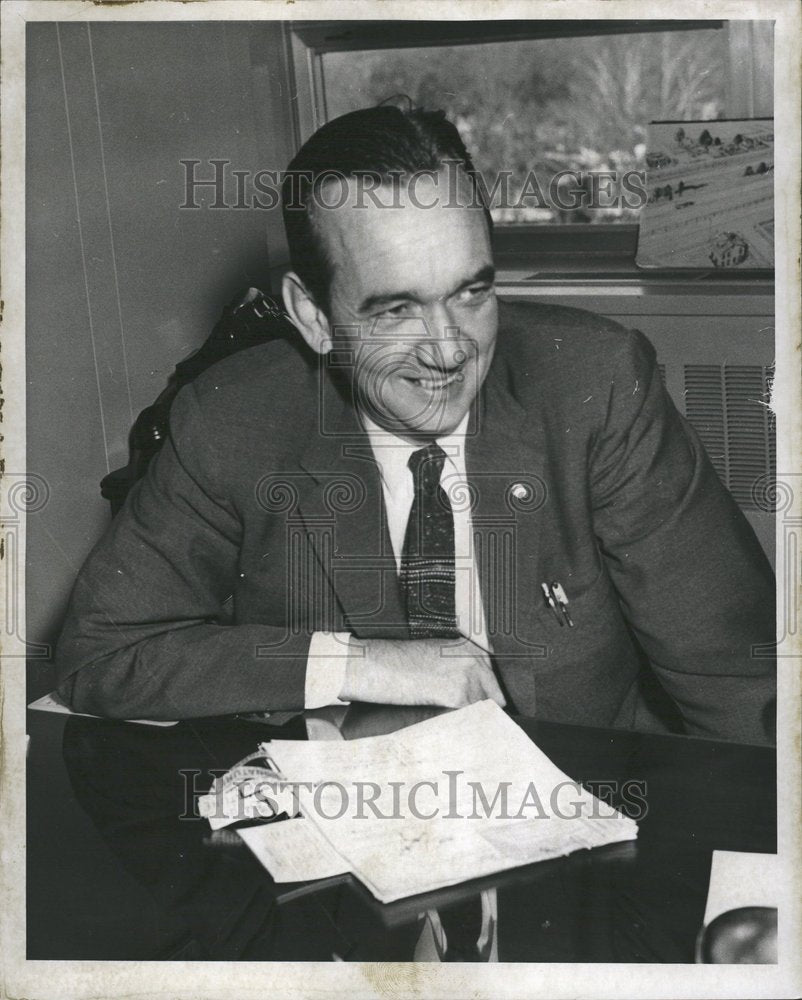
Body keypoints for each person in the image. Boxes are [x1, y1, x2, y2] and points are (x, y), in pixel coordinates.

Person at [55, 105, 776, 744]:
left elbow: (739, 685)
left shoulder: (598, 385)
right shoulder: (233, 419)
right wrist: (360, 663)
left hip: (583, 830)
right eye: (396, 309)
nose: (448, 349)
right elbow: (101, 655)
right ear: (313, 317)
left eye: (471, 292)